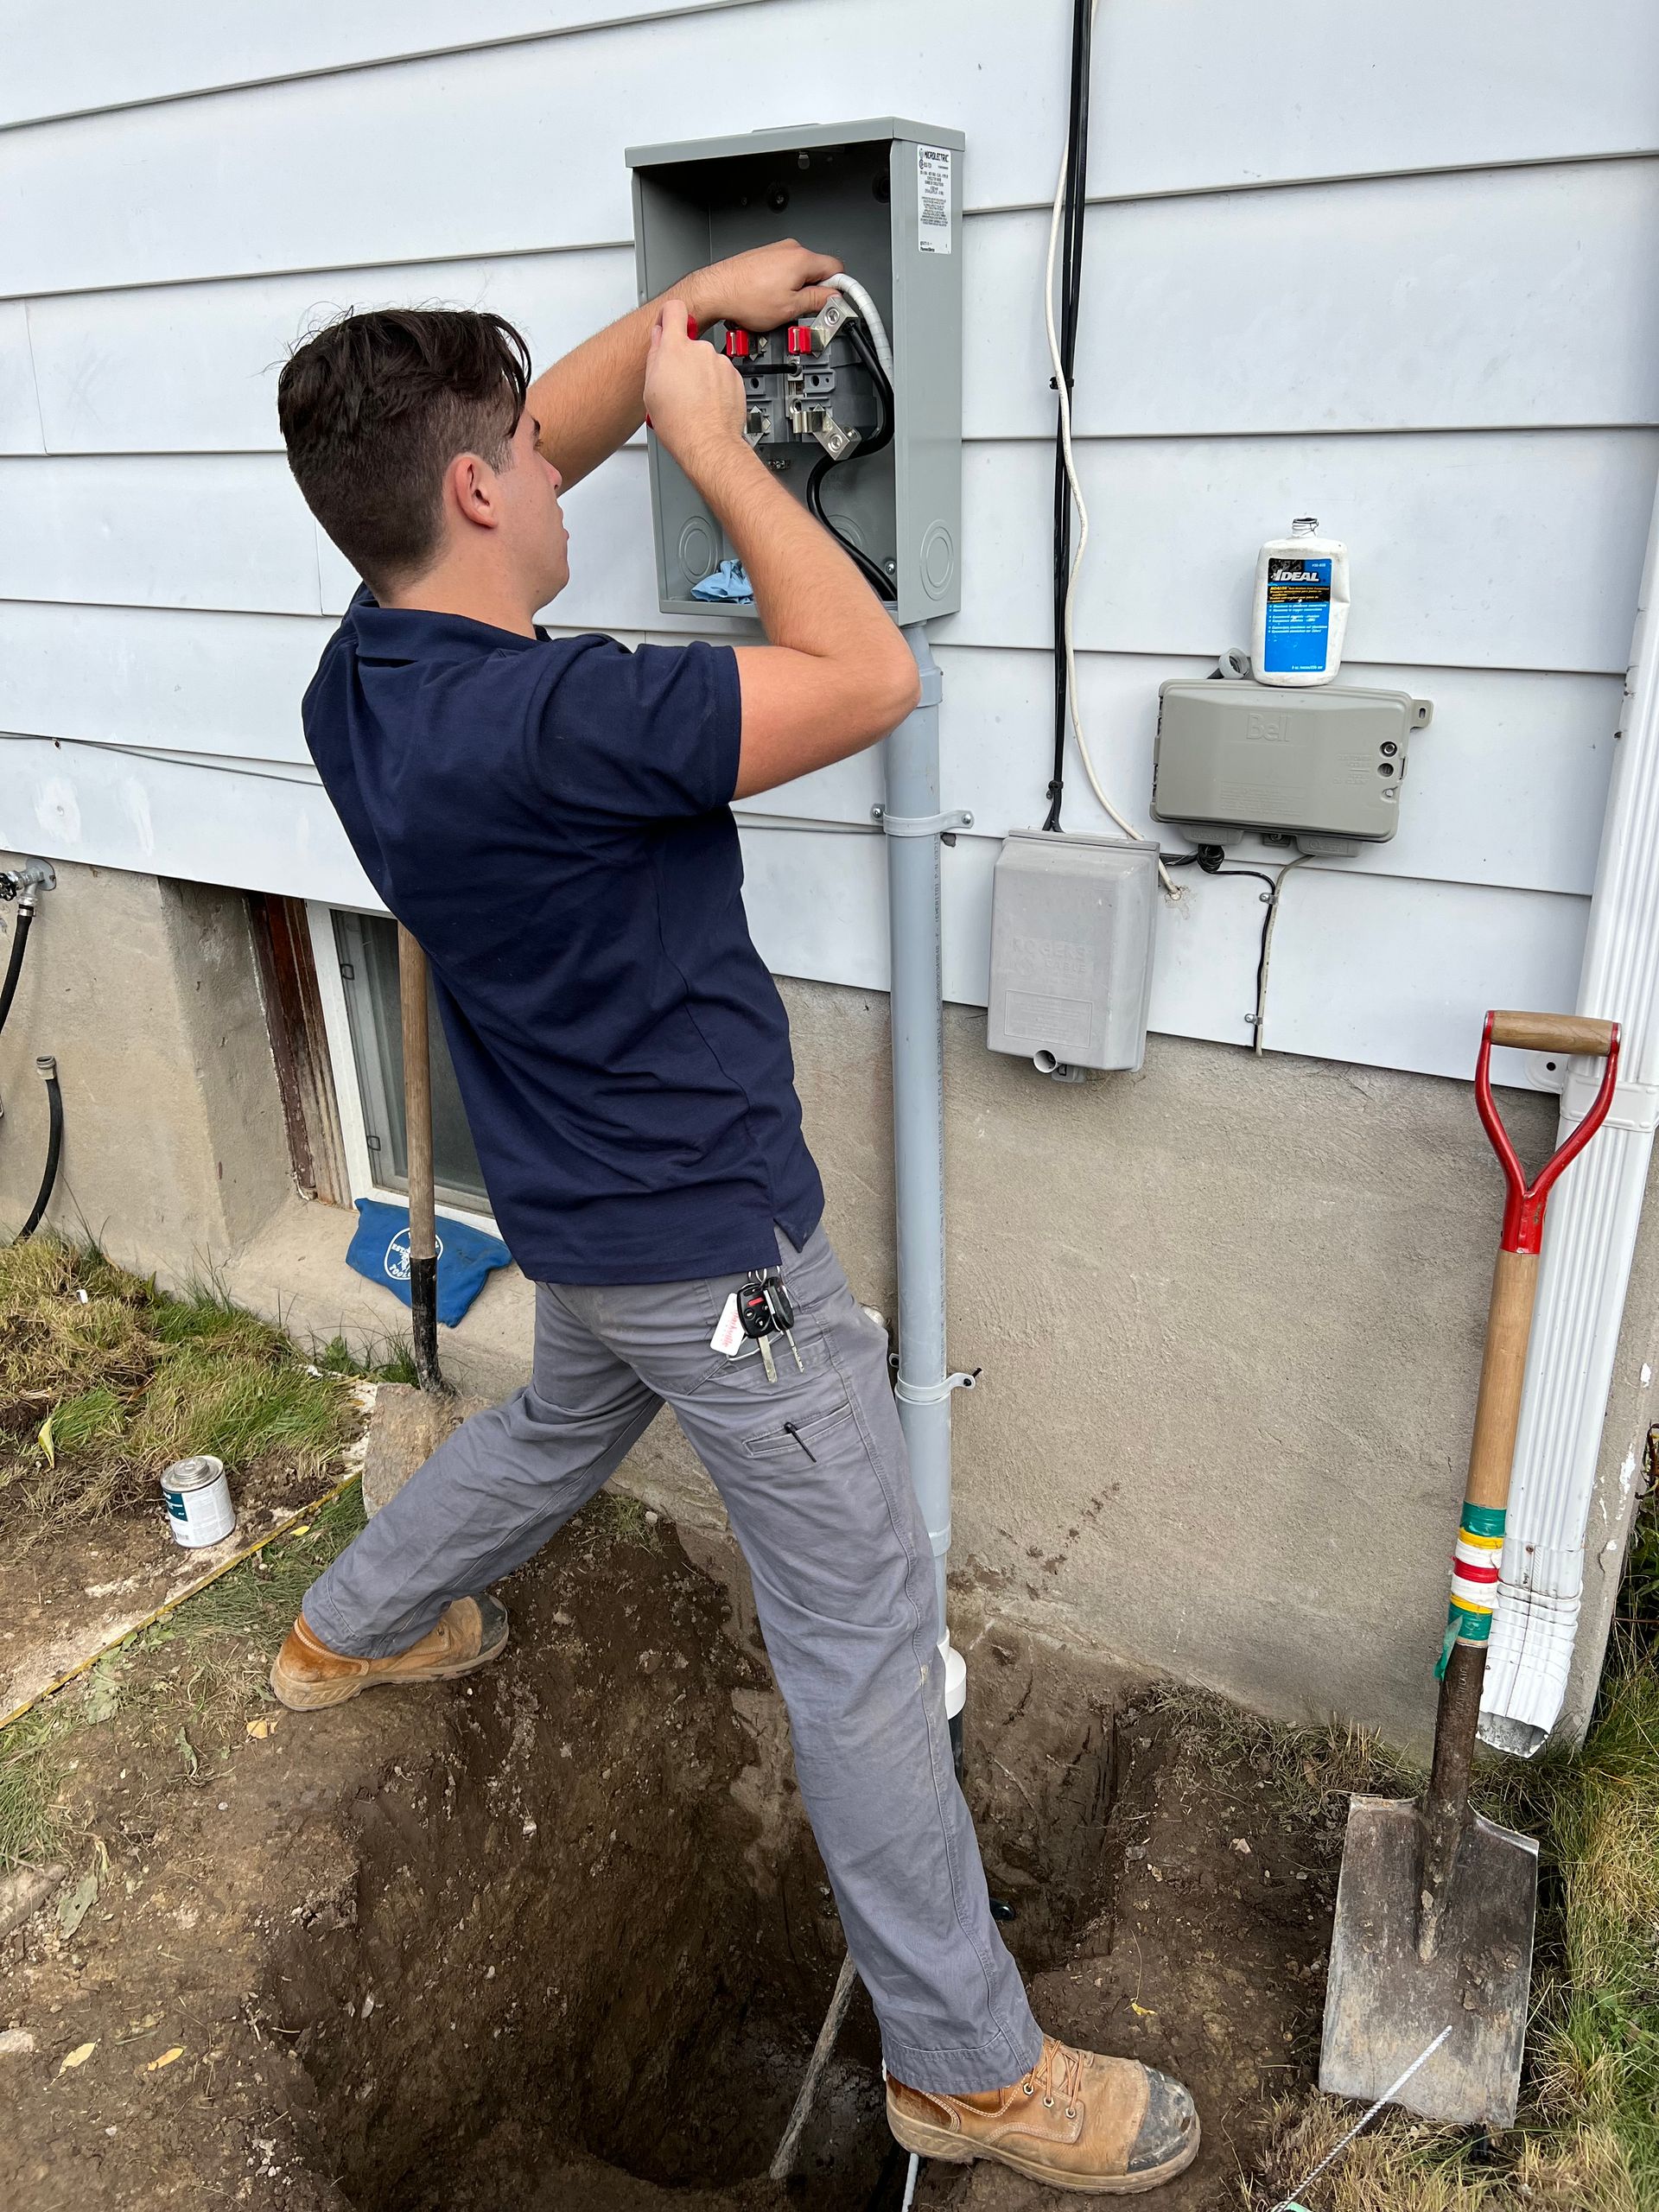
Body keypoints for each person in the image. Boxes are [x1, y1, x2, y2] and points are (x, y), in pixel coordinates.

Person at [269, 240, 1199, 2195]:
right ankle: (967, 2066)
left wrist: (684, 310)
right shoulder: (572, 718)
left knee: (551, 1421)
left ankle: (347, 1628)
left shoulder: (361, 683)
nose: (560, 459)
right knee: (861, 1635)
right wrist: (723, 449)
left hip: (588, 1231)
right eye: (535, 447)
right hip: (722, 1259)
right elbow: (870, 672)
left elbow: (553, 423)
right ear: (476, 494)